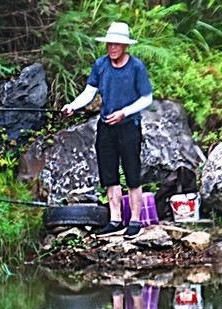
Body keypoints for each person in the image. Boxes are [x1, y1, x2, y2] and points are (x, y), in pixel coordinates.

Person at [61, 22, 154, 238]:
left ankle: (135, 220)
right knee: (109, 174)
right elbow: (89, 92)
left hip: (129, 126)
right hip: (106, 127)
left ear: (125, 46)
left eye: (117, 44)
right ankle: (115, 219)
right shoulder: (100, 65)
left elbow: (147, 98)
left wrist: (125, 112)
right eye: (110, 44)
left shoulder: (136, 67)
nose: (112, 48)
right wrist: (73, 106)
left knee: (132, 173)